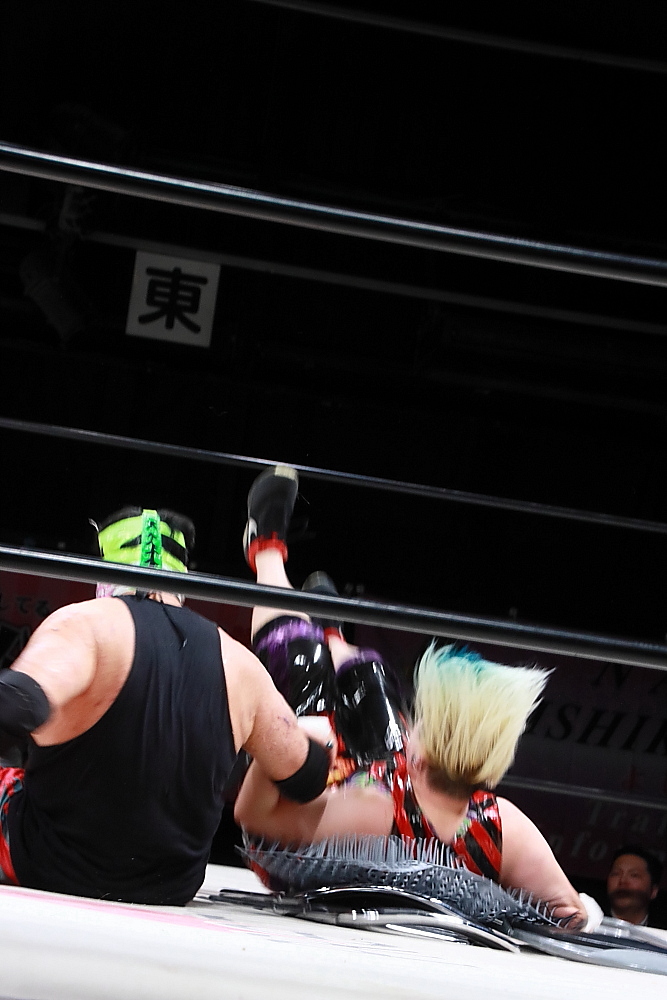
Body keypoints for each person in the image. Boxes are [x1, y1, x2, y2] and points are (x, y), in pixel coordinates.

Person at [235, 466, 592, 927]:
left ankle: (266, 548)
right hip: (374, 789)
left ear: (420, 755)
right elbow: (573, 913)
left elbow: (258, 822)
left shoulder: (371, 810)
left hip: (322, 806)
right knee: (371, 678)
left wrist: (289, 739)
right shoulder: (503, 825)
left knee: (301, 660)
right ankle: (332, 631)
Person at [0, 506, 332, 905]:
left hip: (47, 864)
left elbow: (14, 705)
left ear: (103, 565)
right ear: (183, 576)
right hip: (170, 886)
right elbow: (306, 776)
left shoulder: (85, 625)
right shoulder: (240, 663)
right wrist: (297, 734)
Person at [606, 845, 663, 926]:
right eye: (616, 874)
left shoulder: (661, 932)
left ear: (653, 891)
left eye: (634, 875)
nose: (622, 881)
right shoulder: (589, 922)